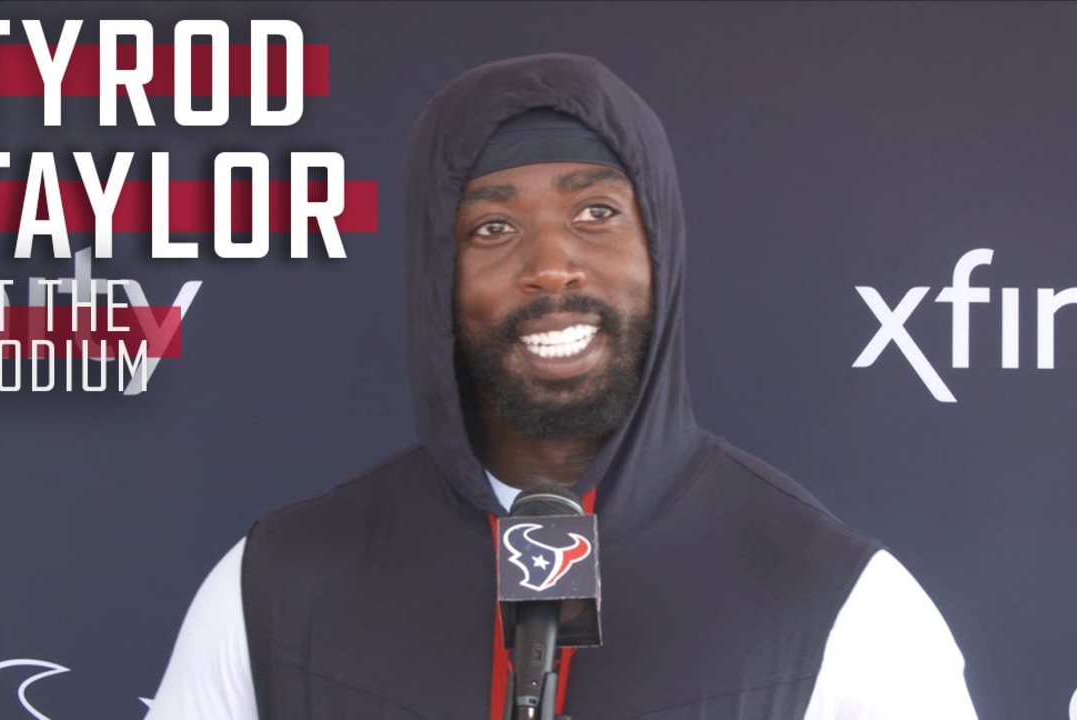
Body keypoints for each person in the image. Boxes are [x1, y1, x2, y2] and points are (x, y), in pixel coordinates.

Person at [145, 54, 977, 720]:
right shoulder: (275, 587)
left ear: (663, 252)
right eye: (493, 227)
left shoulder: (843, 602)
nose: (550, 266)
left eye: (597, 215)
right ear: (438, 273)